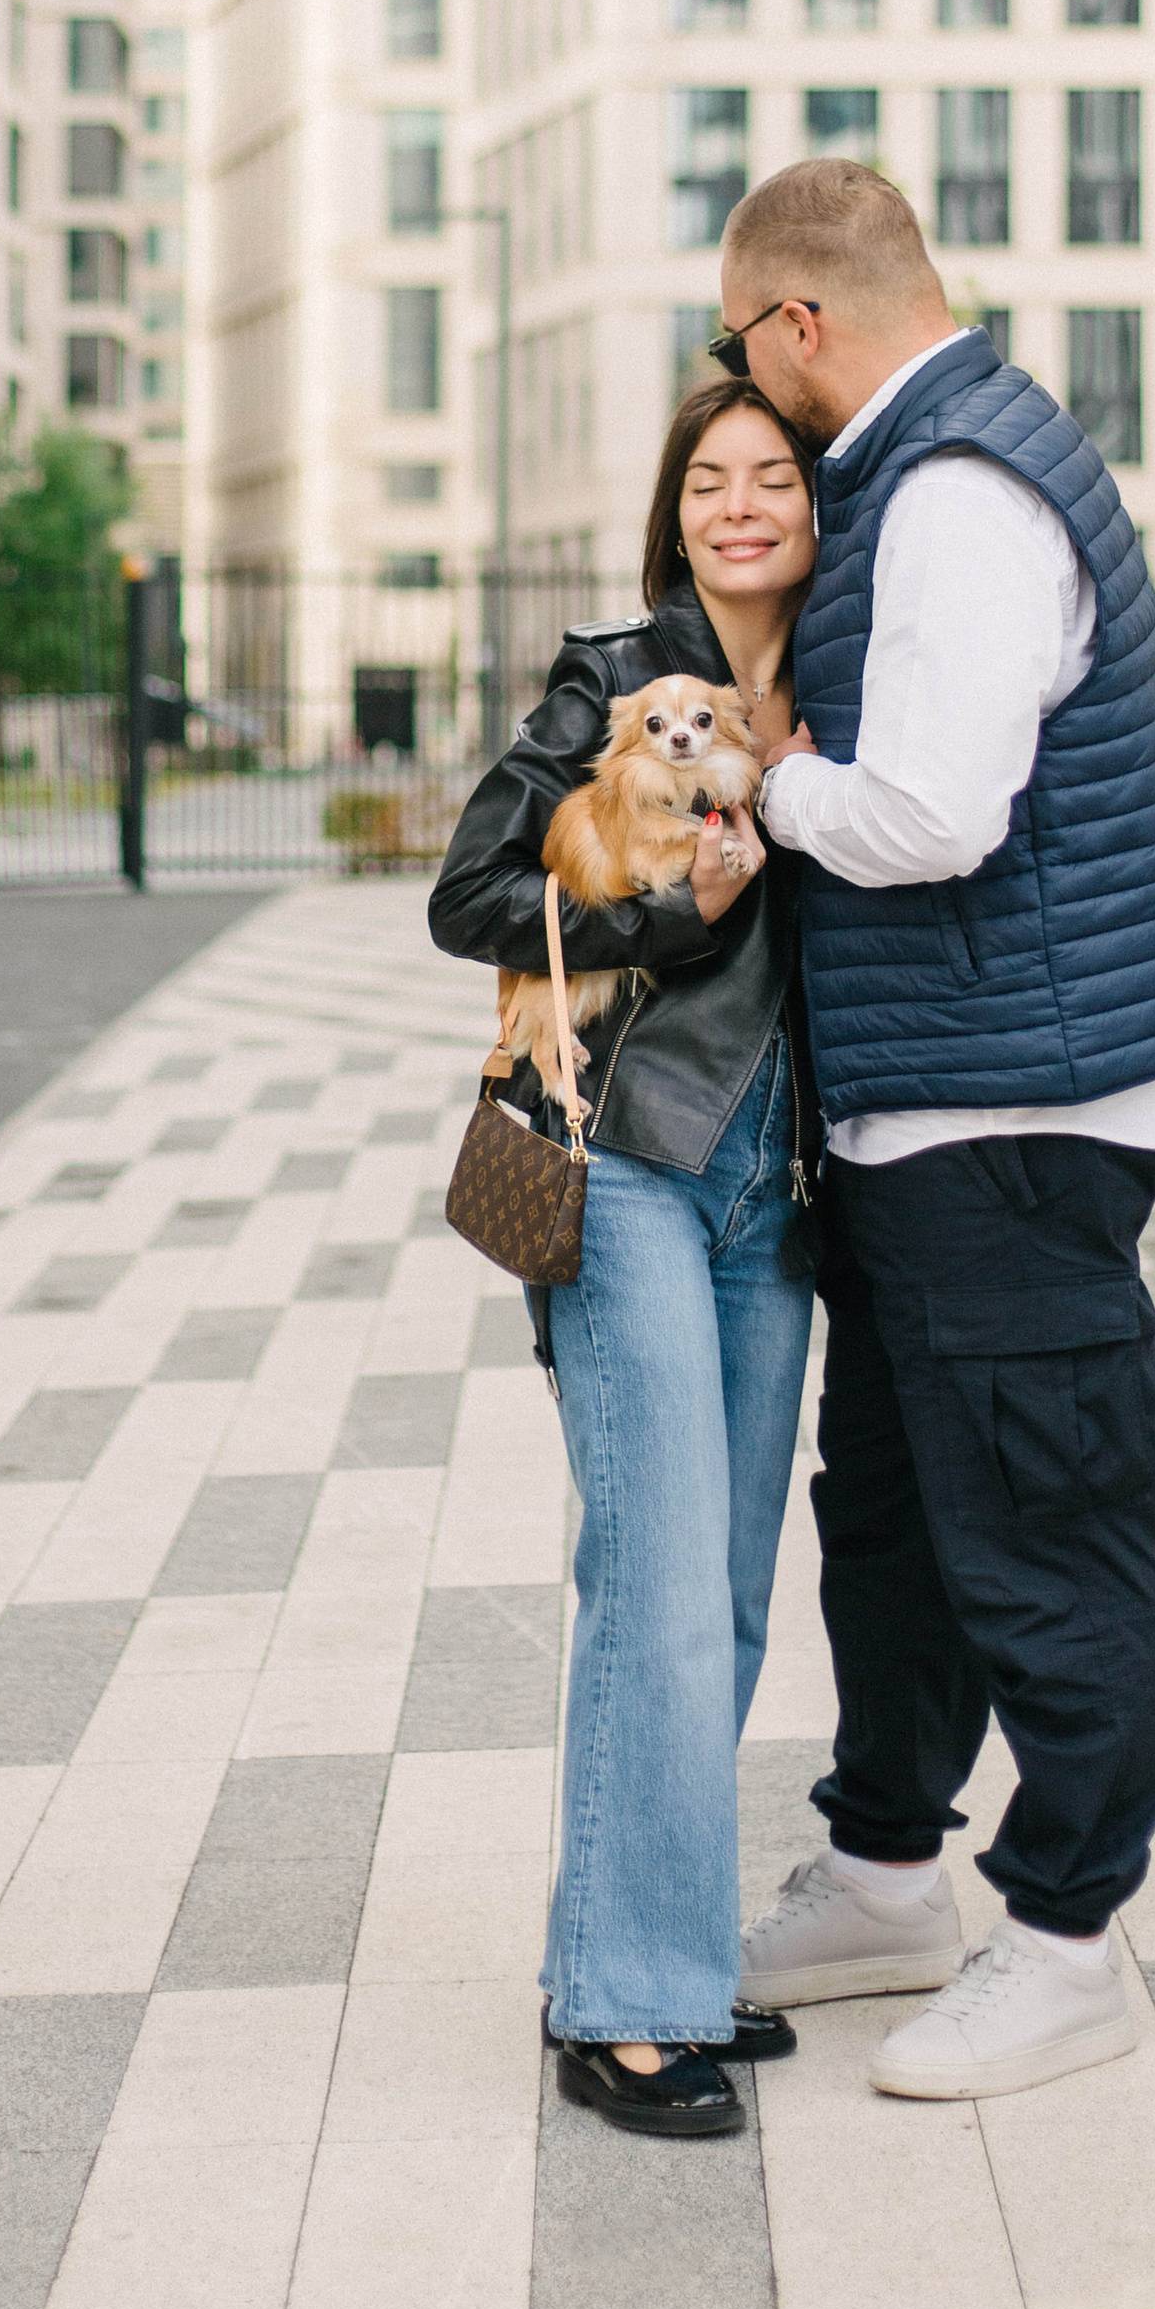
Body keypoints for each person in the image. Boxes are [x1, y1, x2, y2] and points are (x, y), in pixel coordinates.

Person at [713, 155, 1155, 2104]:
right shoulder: (926, 475)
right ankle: (881, 1878)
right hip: (941, 1106)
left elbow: (936, 814)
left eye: (739, 348)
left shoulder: (953, 496)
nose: (741, 390)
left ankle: (1067, 1943)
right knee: (903, 1521)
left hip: (1018, 1108)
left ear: (798, 323)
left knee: (1042, 1527)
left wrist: (772, 788)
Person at [429, 377, 820, 2141]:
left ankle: (630, 1940)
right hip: (634, 1162)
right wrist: (672, 915)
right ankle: (631, 2007)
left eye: (774, 476)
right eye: (708, 480)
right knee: (655, 1578)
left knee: (722, 1591)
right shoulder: (612, 679)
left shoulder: (843, 692)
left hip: (778, 1183)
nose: (741, 504)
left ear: (813, 507)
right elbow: (469, 895)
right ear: (676, 514)